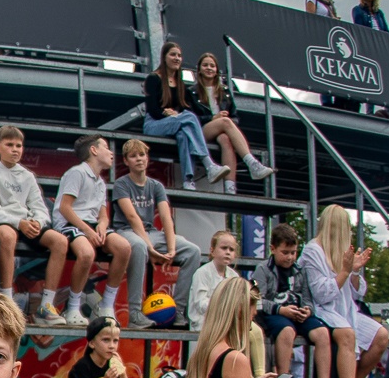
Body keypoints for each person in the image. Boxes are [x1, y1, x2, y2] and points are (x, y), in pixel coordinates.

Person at [298, 205, 386, 378]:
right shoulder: (313, 251)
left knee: (381, 336)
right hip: (322, 310)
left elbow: (358, 292)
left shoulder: (343, 249)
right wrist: (345, 271)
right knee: (347, 334)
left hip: (346, 310)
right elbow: (321, 294)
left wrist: (354, 271)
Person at [111, 138, 205, 329]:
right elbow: (132, 217)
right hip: (126, 231)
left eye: (142, 154)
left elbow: (166, 217)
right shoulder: (121, 184)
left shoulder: (156, 186)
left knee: (192, 251)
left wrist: (171, 249)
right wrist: (150, 248)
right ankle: (135, 313)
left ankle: (178, 311)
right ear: (126, 161)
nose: (139, 159)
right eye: (133, 156)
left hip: (152, 233)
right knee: (139, 246)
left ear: (147, 157)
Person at [0, 125, 70, 324]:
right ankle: (7, 299)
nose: (15, 149)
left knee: (60, 242)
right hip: (2, 221)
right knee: (8, 235)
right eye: (9, 145)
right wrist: (18, 222)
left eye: (18, 146)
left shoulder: (28, 176)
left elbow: (39, 207)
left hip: (25, 223)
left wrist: (37, 222)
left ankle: (46, 305)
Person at [252, 223, 334, 378]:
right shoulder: (263, 269)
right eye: (285, 252)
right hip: (275, 315)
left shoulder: (300, 270)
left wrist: (307, 311)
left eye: (293, 252)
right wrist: (281, 310)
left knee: (322, 333)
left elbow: (308, 298)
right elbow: (257, 299)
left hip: (296, 314)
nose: (289, 257)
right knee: (287, 332)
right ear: (273, 249)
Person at [53, 134, 132, 326]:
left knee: (124, 247)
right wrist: (88, 231)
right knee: (87, 253)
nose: (111, 152)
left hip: (92, 224)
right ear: (93, 150)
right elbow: (65, 208)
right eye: (106, 147)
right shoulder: (77, 173)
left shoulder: (101, 182)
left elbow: (103, 215)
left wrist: (102, 227)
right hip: (69, 224)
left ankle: (106, 306)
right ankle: (72, 307)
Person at [141, 42, 226, 189]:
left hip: (175, 123)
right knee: (189, 117)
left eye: (179, 56)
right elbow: (152, 109)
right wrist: (168, 114)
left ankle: (188, 180)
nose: (177, 58)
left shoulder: (180, 83)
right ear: (164, 57)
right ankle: (208, 163)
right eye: (173, 55)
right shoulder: (153, 78)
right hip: (154, 124)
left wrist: (176, 115)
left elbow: (183, 107)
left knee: (183, 133)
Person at [191, 52, 275, 185]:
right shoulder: (191, 92)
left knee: (226, 139)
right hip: (200, 131)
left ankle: (230, 187)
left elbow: (234, 117)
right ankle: (252, 163)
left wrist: (228, 122)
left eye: (212, 66)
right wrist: (213, 118)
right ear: (199, 69)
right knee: (225, 122)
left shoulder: (224, 91)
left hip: (223, 129)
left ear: (217, 70)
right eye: (205, 65)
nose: (209, 68)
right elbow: (190, 118)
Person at [186, 229, 240, 330]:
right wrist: (223, 307)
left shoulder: (234, 276)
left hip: (225, 324)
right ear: (212, 251)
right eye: (224, 248)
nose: (228, 252)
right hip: (203, 325)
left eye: (231, 249)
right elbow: (200, 304)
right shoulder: (202, 273)